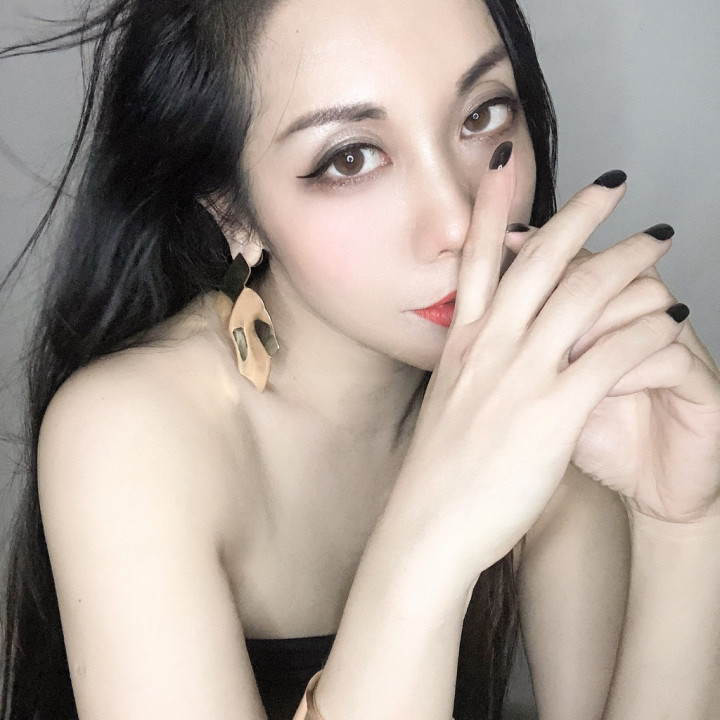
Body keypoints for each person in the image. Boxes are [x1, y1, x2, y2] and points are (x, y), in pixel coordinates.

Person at [1, 0, 719, 719]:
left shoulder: (553, 399)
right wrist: (434, 541)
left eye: (483, 115)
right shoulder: (133, 433)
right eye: (351, 158)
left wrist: (685, 525)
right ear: (232, 213)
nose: (458, 222)